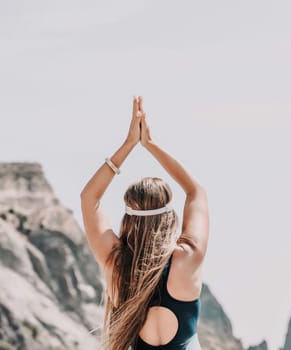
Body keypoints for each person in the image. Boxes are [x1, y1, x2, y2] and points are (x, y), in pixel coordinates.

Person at [80, 96, 209, 350]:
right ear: (169, 218)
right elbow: (196, 191)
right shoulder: (187, 258)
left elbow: (89, 198)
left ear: (128, 219)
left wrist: (128, 145)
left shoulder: (116, 265)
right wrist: (150, 144)